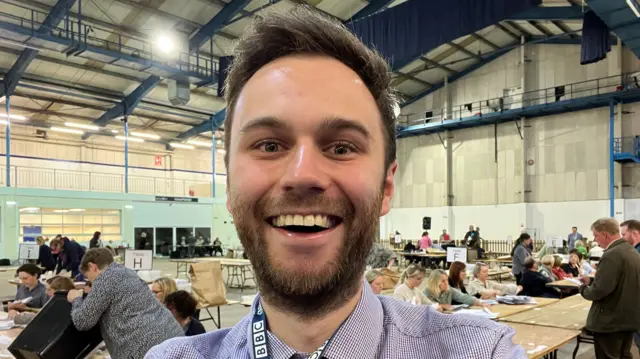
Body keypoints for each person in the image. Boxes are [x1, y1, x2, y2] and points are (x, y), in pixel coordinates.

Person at [145, 6, 525, 358]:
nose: (302, 175)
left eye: (342, 148)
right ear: (228, 184)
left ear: (386, 187)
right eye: (269, 144)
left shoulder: (481, 351)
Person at [68, 248, 183, 358]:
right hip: (172, 337)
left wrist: (76, 299)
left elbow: (83, 321)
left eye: (88, 277)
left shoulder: (105, 279)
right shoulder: (127, 272)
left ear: (92, 266)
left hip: (146, 347)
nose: (91, 282)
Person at [578, 218, 640, 359]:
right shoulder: (631, 251)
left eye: (596, 235)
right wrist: (593, 279)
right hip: (628, 318)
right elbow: (622, 280)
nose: (595, 240)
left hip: (611, 322)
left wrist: (582, 288)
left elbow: (598, 291)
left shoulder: (612, 255)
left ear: (605, 235)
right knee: (624, 355)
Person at [9, 276, 75, 325]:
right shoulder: (68, 301)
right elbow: (44, 311)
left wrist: (16, 316)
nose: (46, 292)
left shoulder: (62, 304)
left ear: (59, 290)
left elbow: (44, 318)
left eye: (49, 289)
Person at [424, 269, 489, 310]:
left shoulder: (449, 289)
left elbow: (463, 297)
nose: (446, 283)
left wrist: (480, 303)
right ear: (435, 282)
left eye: (446, 280)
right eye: (443, 281)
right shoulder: (427, 292)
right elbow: (427, 306)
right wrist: (441, 305)